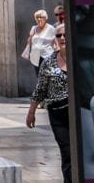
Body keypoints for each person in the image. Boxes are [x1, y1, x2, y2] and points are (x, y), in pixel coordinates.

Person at [27, 22, 71, 181]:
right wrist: (31, 112)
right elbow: (40, 89)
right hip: (58, 113)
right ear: (55, 39)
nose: (63, 37)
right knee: (67, 151)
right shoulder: (49, 62)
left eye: (66, 34)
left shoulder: (80, 58)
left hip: (79, 112)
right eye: (59, 35)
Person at [22, 9, 57, 77]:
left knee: (47, 75)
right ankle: (41, 87)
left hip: (47, 56)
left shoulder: (51, 28)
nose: (39, 19)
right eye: (37, 17)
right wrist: (31, 36)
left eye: (41, 17)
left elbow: (56, 42)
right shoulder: (34, 28)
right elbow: (29, 41)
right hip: (35, 56)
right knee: (39, 75)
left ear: (45, 18)